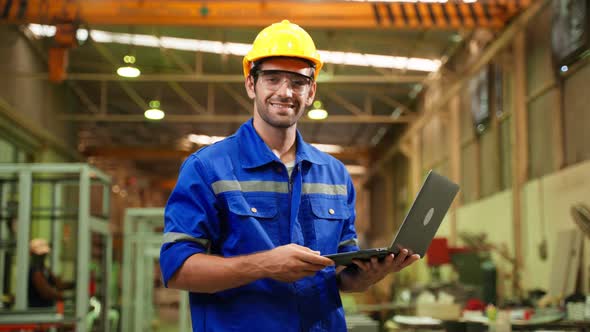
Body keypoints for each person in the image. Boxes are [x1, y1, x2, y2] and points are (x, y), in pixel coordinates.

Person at [160, 20, 420, 331]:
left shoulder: (334, 175)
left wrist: (369, 274)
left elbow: (343, 275)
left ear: (311, 91)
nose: (285, 92)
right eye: (272, 79)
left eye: (297, 82)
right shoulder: (207, 168)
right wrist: (265, 264)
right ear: (250, 84)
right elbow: (176, 269)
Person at [28, 238, 74, 308]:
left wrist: (75, 284)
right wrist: (64, 297)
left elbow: (59, 284)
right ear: (32, 254)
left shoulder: (44, 269)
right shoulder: (34, 271)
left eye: (44, 254)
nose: (42, 257)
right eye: (40, 255)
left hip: (46, 309)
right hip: (37, 311)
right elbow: (46, 292)